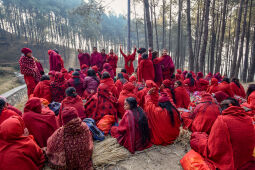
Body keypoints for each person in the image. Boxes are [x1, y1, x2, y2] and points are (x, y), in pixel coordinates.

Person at [190, 98, 255, 169]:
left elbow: (213, 149)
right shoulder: (248, 119)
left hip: (230, 162)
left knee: (196, 138)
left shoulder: (222, 119)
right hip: (244, 159)